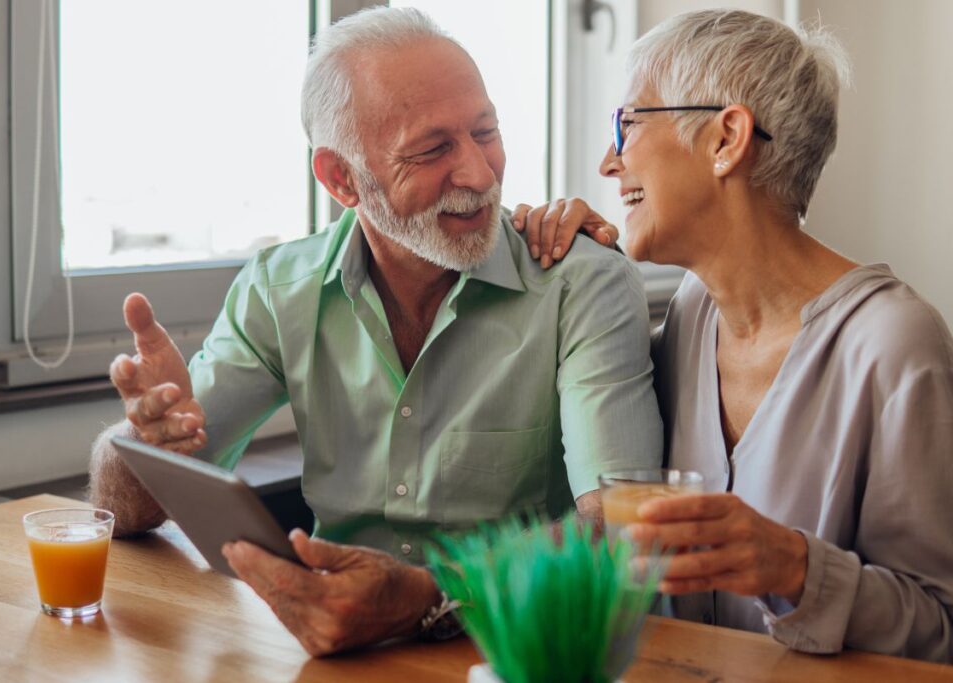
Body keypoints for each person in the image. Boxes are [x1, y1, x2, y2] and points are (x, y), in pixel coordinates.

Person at [88, 7, 660, 656]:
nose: (479, 174)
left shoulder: (580, 281)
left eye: (486, 131)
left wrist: (427, 597)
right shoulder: (281, 288)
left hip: (517, 650)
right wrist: (143, 439)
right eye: (433, 149)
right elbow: (132, 510)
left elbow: (621, 527)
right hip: (336, 653)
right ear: (341, 179)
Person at [513, 9, 953, 663]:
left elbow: (941, 628)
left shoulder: (895, 347)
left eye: (625, 125)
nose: (608, 162)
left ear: (727, 139)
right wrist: (564, 264)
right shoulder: (691, 313)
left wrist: (798, 568)